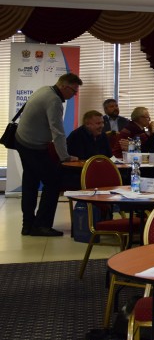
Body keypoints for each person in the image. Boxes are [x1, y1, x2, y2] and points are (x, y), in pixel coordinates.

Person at [15, 72, 83, 236]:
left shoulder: (45, 90)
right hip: (33, 147)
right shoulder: (54, 100)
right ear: (64, 86)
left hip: (23, 142)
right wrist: (65, 157)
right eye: (73, 91)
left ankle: (28, 225)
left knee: (30, 184)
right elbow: (57, 132)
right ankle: (41, 226)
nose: (74, 95)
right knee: (53, 182)